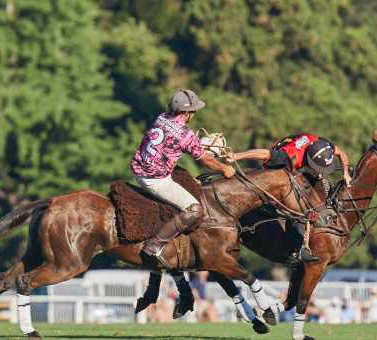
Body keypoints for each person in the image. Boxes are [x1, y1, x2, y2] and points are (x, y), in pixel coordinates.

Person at [131, 89, 235, 267]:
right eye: (193, 111)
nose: (194, 114)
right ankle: (154, 246)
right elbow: (205, 160)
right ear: (186, 113)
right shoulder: (186, 135)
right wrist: (225, 168)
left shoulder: (161, 117)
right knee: (195, 209)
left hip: (139, 167)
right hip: (155, 179)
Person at [227, 133, 352, 263]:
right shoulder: (288, 156)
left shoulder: (324, 144)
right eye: (318, 168)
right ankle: (297, 249)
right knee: (298, 205)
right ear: (309, 160)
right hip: (275, 168)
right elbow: (265, 153)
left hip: (295, 160)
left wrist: (346, 173)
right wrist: (238, 155)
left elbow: (341, 154)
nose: (320, 172)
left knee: (320, 183)